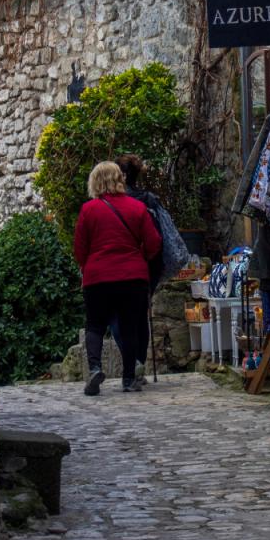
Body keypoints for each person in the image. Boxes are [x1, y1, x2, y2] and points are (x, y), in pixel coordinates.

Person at [74, 160, 161, 395]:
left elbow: (80, 248)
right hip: (132, 276)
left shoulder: (88, 210)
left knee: (95, 325)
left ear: (95, 182)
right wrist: (140, 257)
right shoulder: (137, 208)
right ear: (120, 179)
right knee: (129, 326)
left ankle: (95, 369)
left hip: (97, 277)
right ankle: (128, 379)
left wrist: (88, 265)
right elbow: (154, 243)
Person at [112, 153, 165, 379]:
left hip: (120, 266)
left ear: (122, 176)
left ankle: (132, 359)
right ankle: (139, 363)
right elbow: (157, 238)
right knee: (140, 316)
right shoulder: (149, 199)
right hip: (148, 265)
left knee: (115, 315)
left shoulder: (113, 202)